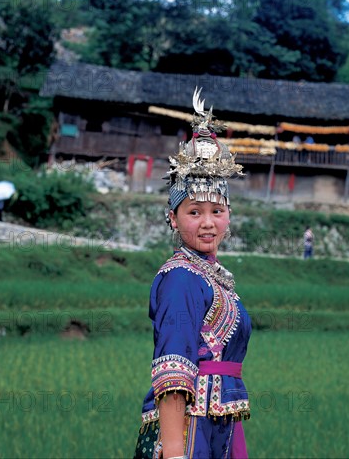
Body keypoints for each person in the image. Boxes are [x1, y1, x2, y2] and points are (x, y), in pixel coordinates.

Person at [134, 88, 251, 459]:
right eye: (194, 211)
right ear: (173, 218)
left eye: (217, 211)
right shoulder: (182, 278)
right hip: (188, 430)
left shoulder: (214, 277)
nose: (207, 223)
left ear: (229, 216)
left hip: (217, 424)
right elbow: (173, 367)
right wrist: (175, 453)